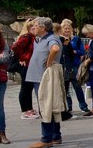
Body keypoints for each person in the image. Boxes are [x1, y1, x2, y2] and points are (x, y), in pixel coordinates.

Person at [26, 17, 64, 148]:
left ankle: (46, 138)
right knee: (50, 106)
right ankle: (55, 136)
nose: (33, 28)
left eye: (35, 26)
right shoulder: (40, 39)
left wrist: (49, 61)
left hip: (44, 79)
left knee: (45, 108)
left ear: (43, 28)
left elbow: (55, 48)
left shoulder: (50, 38)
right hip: (39, 78)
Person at [11, 19, 38, 120]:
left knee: (28, 87)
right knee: (25, 88)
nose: (35, 29)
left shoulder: (33, 37)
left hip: (30, 65)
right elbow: (15, 47)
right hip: (26, 65)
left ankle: (29, 108)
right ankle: (24, 110)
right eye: (33, 27)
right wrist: (21, 58)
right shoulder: (26, 37)